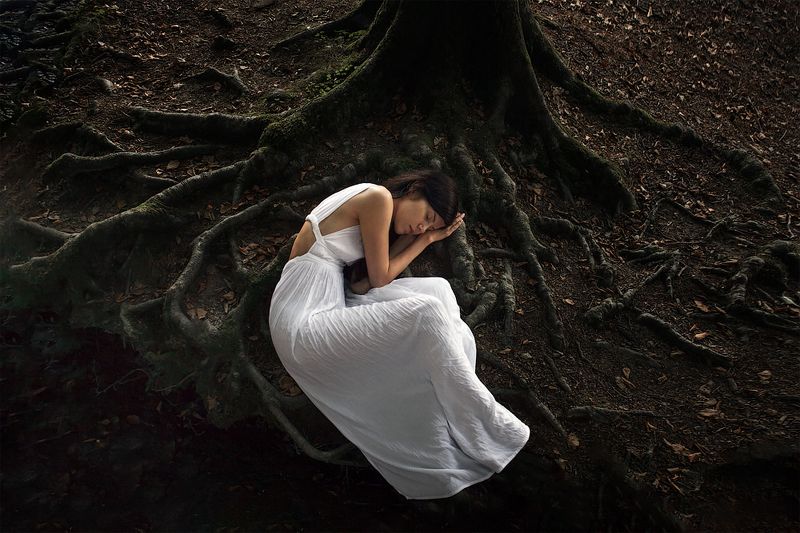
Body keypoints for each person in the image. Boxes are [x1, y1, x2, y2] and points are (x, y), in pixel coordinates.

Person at [268, 169, 530, 500]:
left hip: (328, 304)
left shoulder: (378, 212)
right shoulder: (376, 197)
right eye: (427, 217)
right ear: (416, 189)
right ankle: (482, 423)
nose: (422, 227)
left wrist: (418, 235)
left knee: (438, 291)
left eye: (430, 227)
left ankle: (447, 416)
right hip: (301, 324)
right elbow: (379, 278)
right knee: (427, 313)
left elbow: (361, 284)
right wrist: (427, 241)